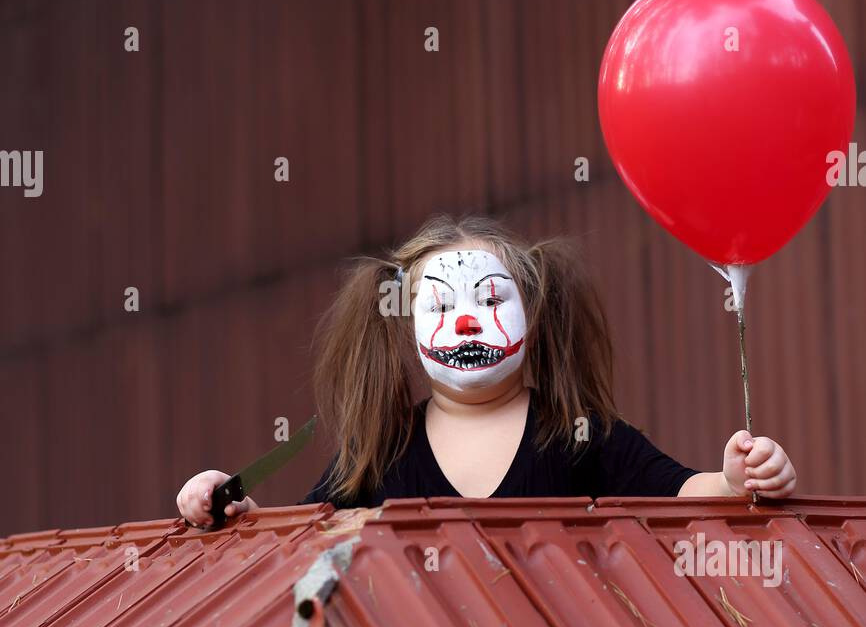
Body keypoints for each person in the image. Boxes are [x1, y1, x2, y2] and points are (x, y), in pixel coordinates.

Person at [176, 213, 796, 526]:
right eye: (441, 306)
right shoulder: (382, 449)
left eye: (491, 299)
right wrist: (230, 507)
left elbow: (686, 493)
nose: (467, 322)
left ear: (535, 310)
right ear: (405, 325)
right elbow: (305, 534)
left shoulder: (579, 432)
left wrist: (741, 476)